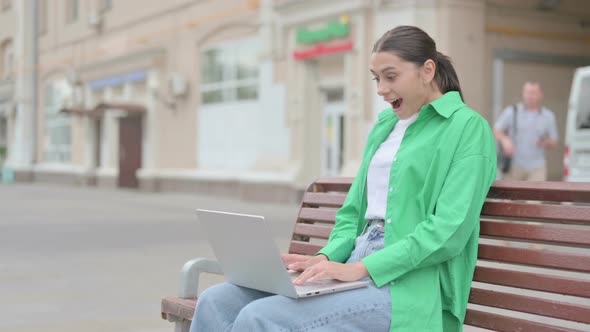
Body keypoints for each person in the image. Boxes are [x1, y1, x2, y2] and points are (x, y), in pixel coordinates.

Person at [190, 25, 497, 332]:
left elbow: (449, 230)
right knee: (216, 301)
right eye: (377, 78)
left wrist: (363, 268)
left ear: (427, 70)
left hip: (409, 286)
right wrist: (325, 257)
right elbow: (351, 213)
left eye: (391, 76)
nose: (380, 89)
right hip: (355, 261)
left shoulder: (467, 128)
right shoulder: (386, 125)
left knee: (259, 317)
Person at [494, 81, 559, 181]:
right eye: (527, 92)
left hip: (537, 167)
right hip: (514, 165)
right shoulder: (512, 111)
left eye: (533, 93)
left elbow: (554, 142)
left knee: (536, 196)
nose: (530, 96)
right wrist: (505, 140)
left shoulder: (548, 116)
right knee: (512, 196)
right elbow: (496, 130)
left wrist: (546, 142)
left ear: (540, 95)